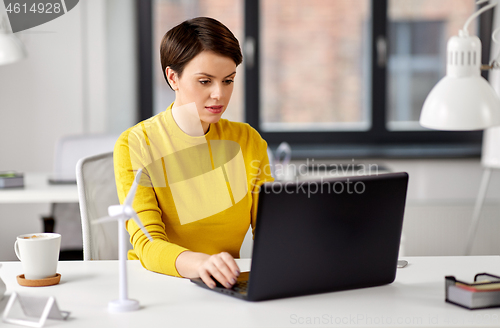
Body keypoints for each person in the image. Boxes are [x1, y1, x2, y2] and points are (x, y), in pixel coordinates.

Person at [113, 17, 274, 290]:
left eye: (228, 81)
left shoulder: (247, 140)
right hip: (157, 284)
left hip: (224, 286)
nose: (219, 94)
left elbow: (272, 231)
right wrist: (200, 264)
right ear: (172, 77)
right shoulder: (136, 144)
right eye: (204, 81)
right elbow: (148, 244)